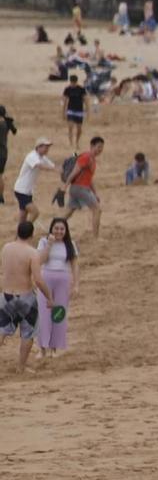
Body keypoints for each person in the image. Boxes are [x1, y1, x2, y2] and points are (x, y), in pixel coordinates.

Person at [2, 220, 48, 371]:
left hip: (7, 295)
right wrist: (49, 297)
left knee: (2, 330)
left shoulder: (6, 247)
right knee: (27, 333)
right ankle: (21, 367)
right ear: (32, 234)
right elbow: (39, 280)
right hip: (25, 297)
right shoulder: (32, 252)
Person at [33, 217, 77, 358]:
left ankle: (54, 349)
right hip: (46, 280)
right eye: (56, 228)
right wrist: (49, 244)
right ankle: (42, 348)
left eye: (62, 229)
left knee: (58, 315)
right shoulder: (44, 241)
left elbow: (75, 266)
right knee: (44, 314)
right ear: (52, 228)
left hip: (63, 281)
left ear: (66, 231)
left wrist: (76, 284)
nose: (59, 231)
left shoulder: (70, 244)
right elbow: (40, 261)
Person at [13, 138, 57, 226]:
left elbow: (54, 166)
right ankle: (25, 230)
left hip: (26, 191)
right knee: (35, 212)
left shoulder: (42, 157)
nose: (47, 149)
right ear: (38, 147)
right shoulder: (32, 156)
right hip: (22, 190)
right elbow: (40, 166)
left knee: (23, 216)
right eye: (46, 147)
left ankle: (20, 235)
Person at [61, 70, 87, 148]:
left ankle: (77, 142)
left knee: (79, 129)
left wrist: (88, 111)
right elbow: (65, 101)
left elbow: (86, 100)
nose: (73, 84)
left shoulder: (81, 89)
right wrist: (63, 112)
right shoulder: (67, 89)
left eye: (74, 82)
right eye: (72, 82)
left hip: (79, 110)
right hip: (71, 110)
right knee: (70, 127)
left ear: (76, 82)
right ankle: (71, 143)